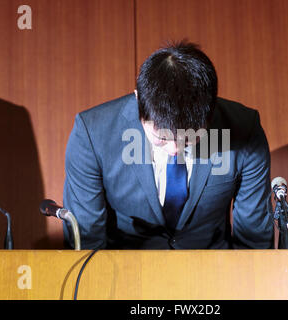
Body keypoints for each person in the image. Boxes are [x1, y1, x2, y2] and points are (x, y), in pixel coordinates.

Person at [63, 41, 274, 249]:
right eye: (161, 138)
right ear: (138, 102)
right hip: (123, 272)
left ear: (212, 109)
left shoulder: (244, 130)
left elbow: (253, 239)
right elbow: (85, 240)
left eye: (190, 138)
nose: (175, 149)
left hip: (212, 271)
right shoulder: (92, 134)